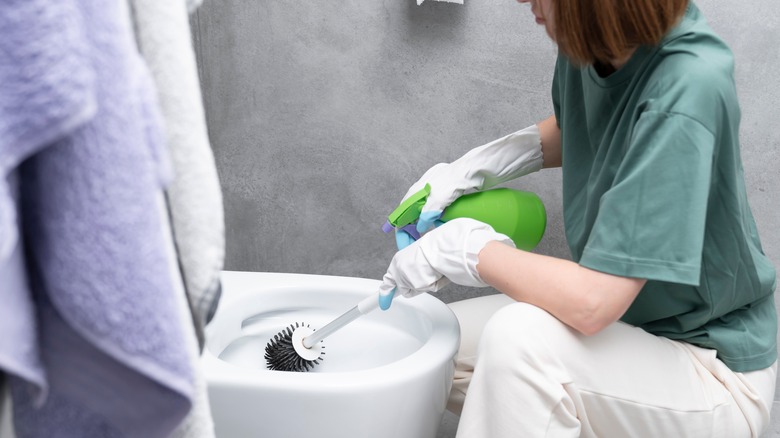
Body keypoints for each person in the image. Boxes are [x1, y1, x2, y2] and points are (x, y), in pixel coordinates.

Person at [377, 0, 778, 436]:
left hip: (710, 369)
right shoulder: (594, 37)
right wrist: (481, 165)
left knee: (520, 343)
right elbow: (583, 124)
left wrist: (467, 250)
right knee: (427, 343)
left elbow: (593, 303)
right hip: (630, 329)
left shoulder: (687, 87)